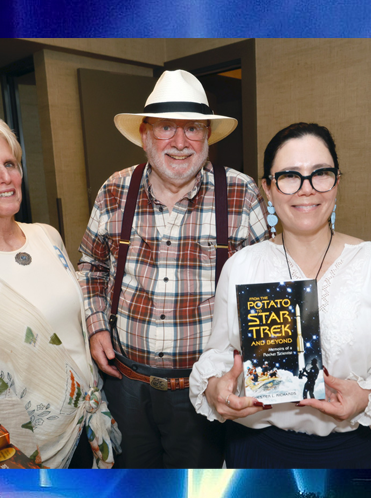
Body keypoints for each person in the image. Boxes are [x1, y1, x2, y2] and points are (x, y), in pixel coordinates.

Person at [189, 122, 371, 468]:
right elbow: (220, 354)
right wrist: (216, 388)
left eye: (320, 173)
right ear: (267, 188)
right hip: (257, 450)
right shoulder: (241, 267)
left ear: (337, 182)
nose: (306, 189)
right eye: (289, 176)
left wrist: (367, 395)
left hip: (356, 452)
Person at [78, 70, 269, 468]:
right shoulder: (115, 190)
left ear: (208, 137)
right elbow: (92, 266)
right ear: (145, 135)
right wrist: (96, 324)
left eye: (193, 129)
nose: (180, 143)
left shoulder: (240, 192)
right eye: (167, 127)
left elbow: (264, 295)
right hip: (125, 385)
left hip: (200, 392)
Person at [0, 110, 121, 469]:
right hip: (31, 454)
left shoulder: (47, 236)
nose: (5, 178)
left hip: (93, 428)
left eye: (10, 163)